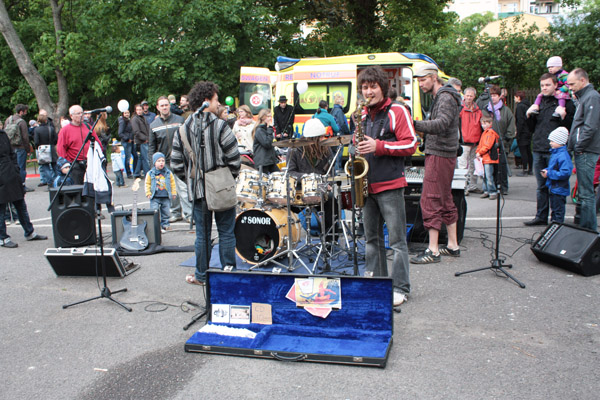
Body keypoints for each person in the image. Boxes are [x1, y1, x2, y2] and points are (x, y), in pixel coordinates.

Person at [352, 66, 418, 306]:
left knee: (398, 242)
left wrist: (378, 146)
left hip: (390, 184)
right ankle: (377, 285)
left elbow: (411, 144)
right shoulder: (360, 114)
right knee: (372, 240)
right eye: (365, 87)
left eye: (373, 86)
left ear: (382, 87)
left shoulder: (397, 110)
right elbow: (356, 143)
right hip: (367, 185)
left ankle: (400, 287)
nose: (368, 92)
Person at [171, 81, 241, 286]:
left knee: (202, 236)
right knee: (226, 233)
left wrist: (192, 180)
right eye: (216, 99)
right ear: (206, 101)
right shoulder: (220, 126)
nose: (218, 103)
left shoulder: (183, 128)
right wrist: (227, 178)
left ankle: (201, 275)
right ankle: (229, 274)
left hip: (197, 190)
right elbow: (234, 158)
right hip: (221, 187)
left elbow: (175, 163)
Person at [410, 63, 462, 264]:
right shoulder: (444, 96)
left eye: (423, 80)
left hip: (440, 154)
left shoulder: (446, 97)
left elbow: (441, 124)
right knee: (445, 198)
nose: (421, 84)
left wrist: (414, 125)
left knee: (430, 198)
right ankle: (452, 245)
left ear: (434, 77)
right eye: (419, 81)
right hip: (443, 153)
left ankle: (433, 250)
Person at [524, 73, 575, 226]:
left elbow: (570, 125)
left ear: (555, 85)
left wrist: (563, 116)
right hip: (539, 148)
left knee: (556, 187)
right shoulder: (538, 103)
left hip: (556, 152)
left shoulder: (564, 102)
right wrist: (530, 115)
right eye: (542, 85)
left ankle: (556, 219)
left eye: (547, 85)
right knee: (541, 187)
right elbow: (532, 128)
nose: (544, 88)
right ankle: (541, 216)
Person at [287, 118, 336, 239]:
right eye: (319, 138)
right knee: (282, 203)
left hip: (320, 190)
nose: (322, 140)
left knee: (332, 201)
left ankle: (330, 238)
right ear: (311, 139)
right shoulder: (295, 149)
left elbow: (331, 171)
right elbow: (290, 173)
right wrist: (307, 178)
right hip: (300, 190)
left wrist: (328, 182)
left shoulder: (326, 148)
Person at [0, 128, 48, 248]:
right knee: (1, 210)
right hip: (1, 177)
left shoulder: (3, 134)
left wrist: (16, 169)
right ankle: (2, 237)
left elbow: (11, 154)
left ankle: (30, 232)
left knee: (21, 205)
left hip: (11, 175)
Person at [567, 68, 600, 231]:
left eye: (572, 84)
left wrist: (579, 146)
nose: (570, 87)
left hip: (586, 150)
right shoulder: (584, 97)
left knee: (586, 194)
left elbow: (590, 126)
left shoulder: (592, 97)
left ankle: (590, 231)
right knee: (584, 193)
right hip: (583, 150)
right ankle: (585, 228)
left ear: (583, 80)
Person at [149, 96, 188, 223]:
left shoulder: (180, 120)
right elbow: (151, 147)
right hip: (163, 162)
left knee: (183, 187)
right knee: (170, 189)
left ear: (169, 106)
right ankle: (175, 213)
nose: (165, 107)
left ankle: (188, 214)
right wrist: (152, 164)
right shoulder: (153, 125)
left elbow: (186, 139)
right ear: (157, 107)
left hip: (180, 159)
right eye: (162, 105)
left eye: (166, 105)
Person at [480, 85, 515, 195]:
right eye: (491, 96)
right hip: (487, 144)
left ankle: (503, 187)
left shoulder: (506, 111)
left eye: (495, 95)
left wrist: (506, 140)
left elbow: (511, 126)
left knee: (502, 167)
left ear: (500, 96)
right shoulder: (485, 110)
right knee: (489, 168)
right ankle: (490, 188)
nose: (493, 98)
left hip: (501, 143)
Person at [56, 105, 103, 185]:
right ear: (71, 116)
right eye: (78, 113)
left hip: (90, 164)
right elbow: (61, 149)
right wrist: (66, 164)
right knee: (78, 190)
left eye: (82, 113)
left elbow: (97, 143)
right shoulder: (65, 130)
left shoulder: (88, 127)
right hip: (75, 165)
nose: (81, 115)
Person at [542, 127, 573, 223]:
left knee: (558, 210)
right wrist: (547, 170)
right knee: (555, 208)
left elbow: (565, 173)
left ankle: (557, 225)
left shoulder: (562, 155)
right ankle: (554, 224)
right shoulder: (556, 153)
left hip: (559, 188)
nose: (550, 143)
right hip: (554, 187)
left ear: (560, 141)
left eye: (553, 141)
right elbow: (554, 167)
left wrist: (549, 173)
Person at [458, 87, 483, 194]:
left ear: (474, 97)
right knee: (462, 166)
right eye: (467, 95)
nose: (468, 97)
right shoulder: (460, 109)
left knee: (474, 165)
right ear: (464, 96)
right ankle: (463, 186)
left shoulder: (478, 111)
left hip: (476, 142)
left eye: (471, 96)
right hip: (464, 142)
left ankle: (472, 185)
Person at [4, 104, 33, 192]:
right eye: (25, 111)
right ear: (21, 111)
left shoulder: (8, 120)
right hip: (20, 147)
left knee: (13, 167)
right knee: (21, 167)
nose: (26, 113)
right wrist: (28, 150)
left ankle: (13, 186)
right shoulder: (22, 122)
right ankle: (22, 185)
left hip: (10, 148)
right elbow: (25, 137)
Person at [146, 152, 177, 233]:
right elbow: (147, 183)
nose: (161, 163)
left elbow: (172, 183)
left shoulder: (168, 173)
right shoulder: (150, 173)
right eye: (158, 161)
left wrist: (173, 192)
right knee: (154, 211)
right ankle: (156, 225)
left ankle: (166, 224)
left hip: (165, 196)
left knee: (166, 212)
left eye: (163, 161)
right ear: (154, 163)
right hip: (155, 196)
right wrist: (148, 192)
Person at [476, 115, 500, 200]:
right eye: (482, 123)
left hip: (489, 158)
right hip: (485, 158)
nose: (483, 125)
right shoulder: (485, 133)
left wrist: (479, 152)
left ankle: (492, 191)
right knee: (485, 175)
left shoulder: (489, 133)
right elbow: (481, 144)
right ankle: (486, 190)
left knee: (488, 176)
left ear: (490, 123)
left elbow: (487, 145)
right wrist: (478, 152)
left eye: (485, 123)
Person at [33, 109, 58, 188]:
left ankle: (50, 182)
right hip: (51, 147)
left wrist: (38, 147)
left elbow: (36, 141)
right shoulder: (51, 129)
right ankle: (58, 180)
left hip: (42, 149)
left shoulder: (37, 130)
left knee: (45, 166)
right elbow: (56, 139)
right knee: (54, 166)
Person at [252, 109, 280, 174]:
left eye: (271, 116)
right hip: (262, 161)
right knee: (264, 180)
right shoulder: (259, 130)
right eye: (268, 116)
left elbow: (270, 144)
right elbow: (267, 143)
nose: (270, 118)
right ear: (263, 117)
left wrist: (276, 154)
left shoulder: (265, 129)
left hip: (269, 160)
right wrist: (270, 129)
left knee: (278, 175)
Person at [514, 90, 533, 176]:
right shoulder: (528, 105)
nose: (514, 99)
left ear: (518, 97)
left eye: (515, 97)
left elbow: (520, 120)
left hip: (522, 132)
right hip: (528, 130)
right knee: (528, 150)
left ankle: (524, 169)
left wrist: (518, 132)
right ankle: (530, 169)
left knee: (523, 151)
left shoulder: (520, 107)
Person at [131, 103, 151, 177]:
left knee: (141, 158)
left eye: (140, 110)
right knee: (146, 158)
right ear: (135, 111)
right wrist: (145, 139)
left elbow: (147, 128)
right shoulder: (135, 119)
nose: (139, 111)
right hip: (141, 141)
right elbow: (137, 132)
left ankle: (136, 173)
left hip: (144, 139)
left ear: (142, 110)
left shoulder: (143, 118)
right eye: (137, 110)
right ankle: (147, 174)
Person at [118, 109, 136, 178]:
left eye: (128, 113)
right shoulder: (122, 121)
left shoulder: (129, 120)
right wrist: (127, 139)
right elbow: (120, 133)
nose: (127, 114)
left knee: (135, 156)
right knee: (128, 157)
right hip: (126, 142)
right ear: (123, 114)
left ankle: (135, 171)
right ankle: (128, 173)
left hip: (131, 141)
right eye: (125, 113)